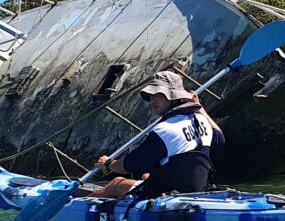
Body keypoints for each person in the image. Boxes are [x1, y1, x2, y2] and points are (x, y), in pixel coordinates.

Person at [93, 70, 224, 199]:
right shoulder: (202, 120)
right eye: (151, 95)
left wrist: (108, 164)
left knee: (116, 183)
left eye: (159, 94)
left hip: (170, 193)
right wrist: (200, 108)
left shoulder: (165, 130)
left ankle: (76, 203)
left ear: (174, 97)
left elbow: (130, 164)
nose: (153, 100)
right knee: (146, 175)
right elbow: (220, 138)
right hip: (197, 188)